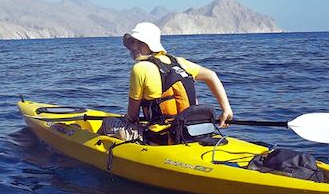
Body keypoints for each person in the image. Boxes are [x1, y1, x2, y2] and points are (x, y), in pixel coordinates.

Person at [98, 22, 233, 142]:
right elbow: (211, 75)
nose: (134, 46)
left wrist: (129, 119)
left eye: (140, 42)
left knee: (107, 124)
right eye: (133, 42)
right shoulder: (180, 62)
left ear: (150, 45)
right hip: (190, 132)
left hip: (161, 137)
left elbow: (132, 116)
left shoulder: (140, 69)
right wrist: (226, 109)